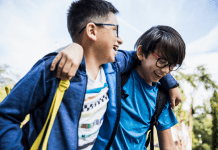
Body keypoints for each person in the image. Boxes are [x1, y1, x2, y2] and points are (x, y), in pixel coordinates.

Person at [0, 0, 179, 150]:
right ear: (92, 31)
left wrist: (171, 82)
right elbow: (6, 117)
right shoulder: (54, 68)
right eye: (115, 30)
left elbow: (141, 57)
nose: (120, 39)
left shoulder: (114, 68)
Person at [110, 25, 186, 150]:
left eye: (172, 66)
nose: (166, 70)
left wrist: (172, 85)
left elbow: (168, 146)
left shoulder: (161, 98)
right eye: (162, 61)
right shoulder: (116, 77)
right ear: (141, 53)